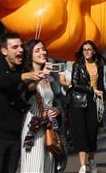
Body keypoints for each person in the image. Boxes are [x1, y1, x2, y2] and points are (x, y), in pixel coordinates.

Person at [0, 32, 45, 173]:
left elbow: (25, 94)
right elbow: (5, 80)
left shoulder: (19, 68)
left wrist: (36, 78)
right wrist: (25, 76)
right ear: (4, 51)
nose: (20, 50)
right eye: (15, 47)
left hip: (15, 132)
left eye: (21, 46)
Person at [20, 39, 65, 173]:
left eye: (44, 49)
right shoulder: (27, 75)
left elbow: (55, 101)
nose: (43, 52)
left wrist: (57, 110)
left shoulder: (49, 78)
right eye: (37, 50)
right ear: (30, 54)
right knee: (35, 164)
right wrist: (42, 74)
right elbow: (28, 89)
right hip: (34, 126)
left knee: (48, 165)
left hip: (50, 126)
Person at [69, 40, 106, 173]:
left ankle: (91, 160)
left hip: (94, 101)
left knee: (92, 132)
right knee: (81, 133)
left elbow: (100, 84)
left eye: (89, 49)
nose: (86, 52)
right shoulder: (77, 65)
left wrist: (104, 97)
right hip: (79, 102)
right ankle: (83, 165)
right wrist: (92, 90)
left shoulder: (99, 65)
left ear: (94, 51)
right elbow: (75, 84)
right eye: (84, 50)